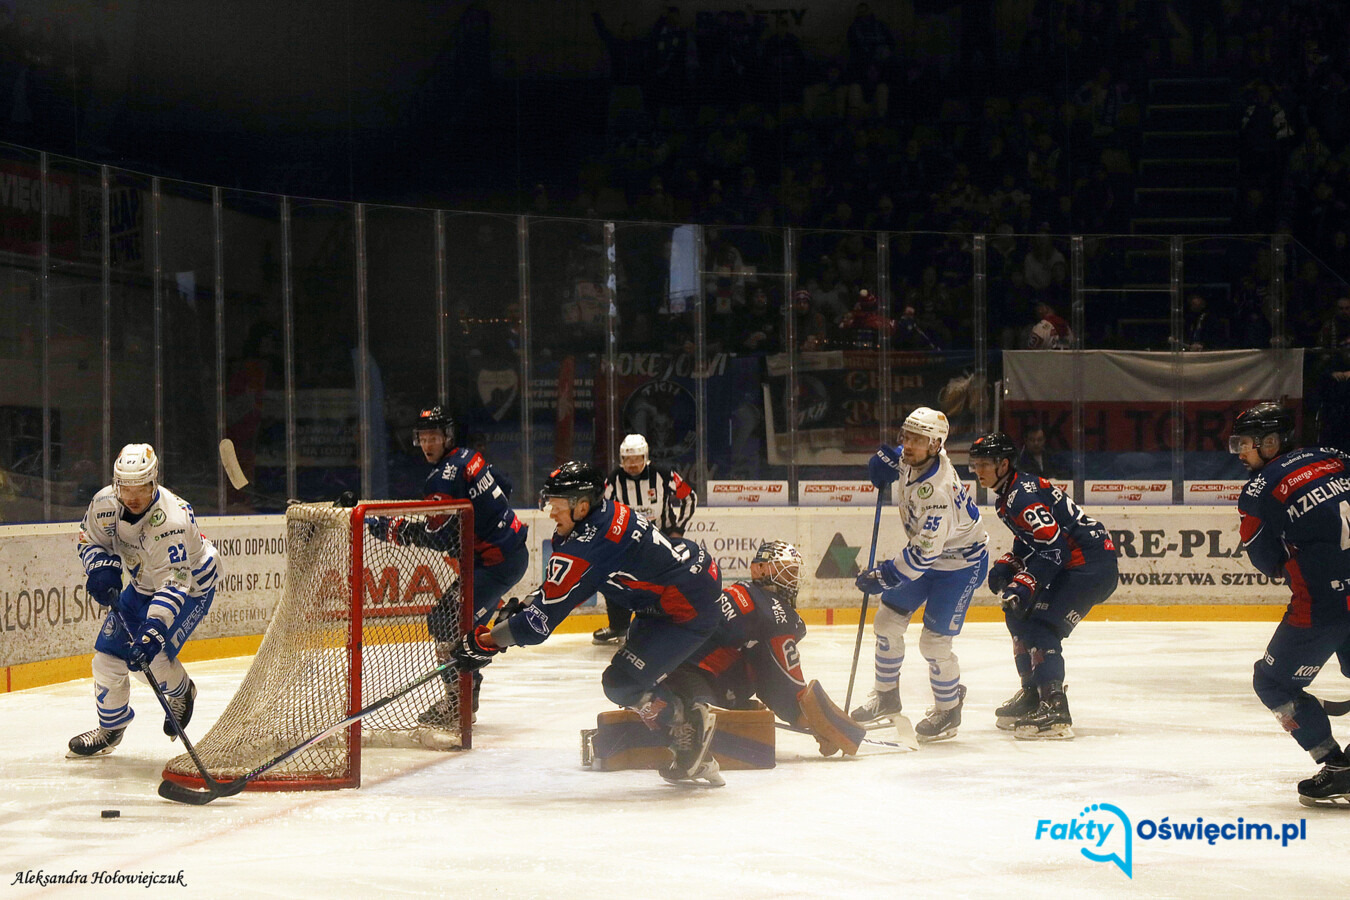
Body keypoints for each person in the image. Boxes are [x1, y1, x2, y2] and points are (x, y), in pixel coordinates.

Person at [447, 461, 727, 785]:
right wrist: (524, 607)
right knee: (634, 678)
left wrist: (485, 643)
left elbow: (538, 625)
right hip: (676, 590)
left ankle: (685, 721)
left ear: (581, 506)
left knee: (622, 684)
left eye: (557, 504)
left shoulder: (589, 545)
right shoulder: (602, 514)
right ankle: (692, 739)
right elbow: (560, 591)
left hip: (686, 609)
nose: (551, 512)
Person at [368, 406, 529, 726]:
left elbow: (439, 537)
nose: (428, 445)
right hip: (510, 553)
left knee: (445, 621)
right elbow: (506, 486)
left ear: (448, 437)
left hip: (495, 564)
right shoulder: (471, 458)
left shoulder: (442, 478)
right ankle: (468, 692)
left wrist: (394, 530)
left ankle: (459, 699)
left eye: (434, 438)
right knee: (459, 622)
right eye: (423, 438)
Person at [1230, 403, 1350, 806]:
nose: (1241, 452)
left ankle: (1336, 766)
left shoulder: (1259, 489)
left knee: (1272, 682)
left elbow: (1266, 560)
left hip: (1322, 604)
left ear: (1271, 442)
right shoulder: (1337, 457)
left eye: (1246, 443)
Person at [68, 444, 219, 757]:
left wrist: (154, 630)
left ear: (154, 483)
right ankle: (111, 729)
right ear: (116, 484)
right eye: (126, 488)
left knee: (150, 658)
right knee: (106, 661)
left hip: (191, 586)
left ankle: (182, 692)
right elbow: (91, 540)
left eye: (141, 488)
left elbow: (174, 583)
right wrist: (101, 568)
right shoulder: (105, 503)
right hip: (142, 584)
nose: (133, 497)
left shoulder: (171, 520)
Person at [968, 432, 1118, 740]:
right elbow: (1033, 538)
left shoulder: (1020, 496)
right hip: (1076, 563)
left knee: (1041, 626)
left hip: (1090, 566)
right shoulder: (1010, 493)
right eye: (976, 463)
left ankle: (1054, 705)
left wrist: (1025, 582)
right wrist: (1011, 563)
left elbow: (1055, 549)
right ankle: (1033, 693)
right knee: (1017, 614)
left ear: (1004, 465)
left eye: (984, 464)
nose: (978, 470)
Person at [852, 407, 990, 742]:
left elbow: (922, 556)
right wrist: (885, 459)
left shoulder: (938, 493)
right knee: (887, 623)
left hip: (960, 566)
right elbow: (898, 457)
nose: (909, 445)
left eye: (918, 440)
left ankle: (949, 709)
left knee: (934, 643)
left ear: (936, 445)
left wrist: (883, 576)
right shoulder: (918, 456)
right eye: (907, 437)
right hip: (931, 556)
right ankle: (886, 696)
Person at [679, 541, 865, 757]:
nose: (792, 579)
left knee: (754, 663)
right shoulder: (772, 610)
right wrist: (816, 719)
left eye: (794, 573)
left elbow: (768, 677)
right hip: (691, 675)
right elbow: (792, 685)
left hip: (685, 667)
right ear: (759, 569)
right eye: (786, 571)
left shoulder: (746, 593)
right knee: (702, 722)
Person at [592, 433, 698, 645]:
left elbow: (689, 497)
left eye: (637, 458)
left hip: (662, 541)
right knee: (613, 579)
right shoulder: (614, 479)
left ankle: (666, 626)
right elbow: (599, 508)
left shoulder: (664, 474)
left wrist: (678, 529)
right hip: (626, 544)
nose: (632, 464)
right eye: (627, 459)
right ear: (621, 460)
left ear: (645, 457)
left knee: (665, 585)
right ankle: (618, 626)